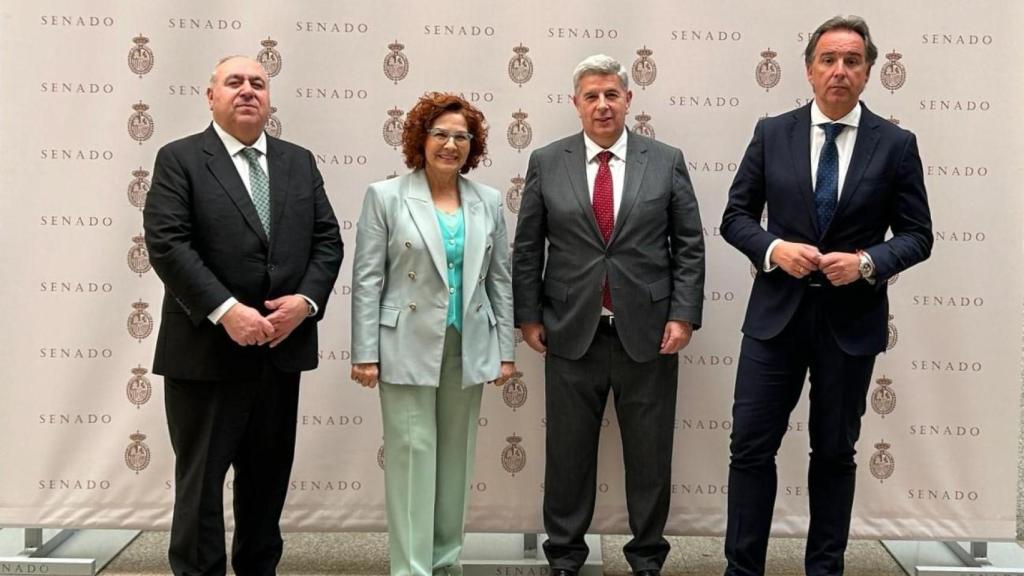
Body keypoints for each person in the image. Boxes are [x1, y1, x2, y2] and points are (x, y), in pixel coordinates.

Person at [720, 16, 933, 576]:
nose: (840, 71)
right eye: (829, 60)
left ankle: (825, 569)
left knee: (835, 455)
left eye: (852, 61)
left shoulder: (896, 144)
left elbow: (918, 235)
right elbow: (735, 217)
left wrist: (866, 263)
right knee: (749, 449)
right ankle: (742, 569)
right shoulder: (772, 132)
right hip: (774, 321)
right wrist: (772, 250)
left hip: (851, 323)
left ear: (868, 72)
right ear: (810, 69)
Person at [143, 55, 343, 576]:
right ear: (210, 96)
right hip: (205, 356)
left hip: (279, 354)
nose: (248, 91)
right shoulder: (179, 159)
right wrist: (226, 310)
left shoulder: (298, 162)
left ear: (269, 99)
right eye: (234, 82)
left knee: (266, 486)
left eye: (258, 83)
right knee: (201, 489)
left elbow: (327, 241)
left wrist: (307, 303)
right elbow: (168, 244)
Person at [512, 54, 705, 576]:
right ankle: (565, 557)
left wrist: (683, 315)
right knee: (568, 455)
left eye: (611, 95)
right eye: (591, 96)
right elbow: (528, 246)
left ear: (628, 100)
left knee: (649, 456)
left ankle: (646, 557)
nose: (602, 105)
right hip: (571, 332)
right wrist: (527, 315)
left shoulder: (665, 160)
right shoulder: (547, 161)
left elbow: (688, 245)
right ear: (575, 104)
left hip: (648, 334)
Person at [350, 92, 516, 576]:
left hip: (467, 345)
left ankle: (446, 564)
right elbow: (367, 278)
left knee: (455, 461)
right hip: (403, 345)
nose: (450, 144)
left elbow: (499, 279)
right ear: (420, 140)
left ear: (473, 145)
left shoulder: (487, 201)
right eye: (440, 134)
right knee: (411, 457)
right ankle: (411, 569)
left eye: (461, 136)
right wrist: (365, 352)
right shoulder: (386, 196)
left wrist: (505, 351)